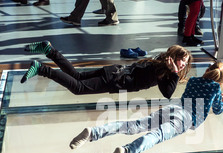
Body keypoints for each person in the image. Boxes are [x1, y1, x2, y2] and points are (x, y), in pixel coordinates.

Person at [69, 62, 223, 153]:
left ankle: (93, 132)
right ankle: (126, 151)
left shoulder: (193, 80)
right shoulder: (215, 88)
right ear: (222, 81)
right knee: (157, 135)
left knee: (134, 124)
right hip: (186, 119)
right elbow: (217, 109)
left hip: (173, 108)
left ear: (208, 70)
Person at [20, 41, 192, 98]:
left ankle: (49, 50)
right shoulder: (163, 70)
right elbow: (168, 93)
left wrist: (173, 71)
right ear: (174, 57)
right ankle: (42, 69)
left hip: (115, 72)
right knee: (78, 88)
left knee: (76, 76)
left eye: (185, 63)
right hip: (115, 79)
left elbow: (167, 88)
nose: (183, 65)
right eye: (181, 60)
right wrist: (174, 72)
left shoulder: (161, 64)